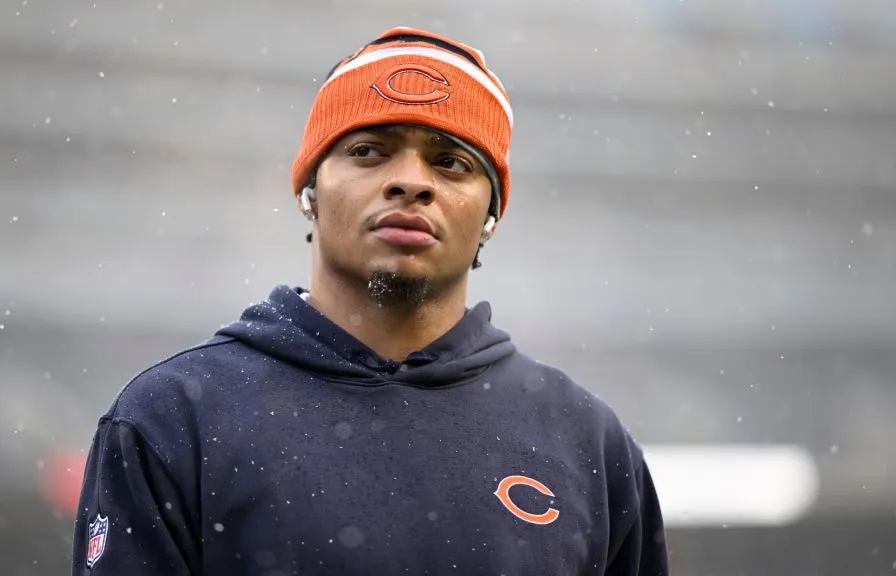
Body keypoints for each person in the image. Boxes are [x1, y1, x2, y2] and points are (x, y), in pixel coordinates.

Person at [71, 26, 670, 576]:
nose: (411, 180)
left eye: (451, 161)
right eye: (369, 151)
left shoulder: (586, 441)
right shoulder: (173, 418)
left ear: (490, 215)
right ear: (309, 189)